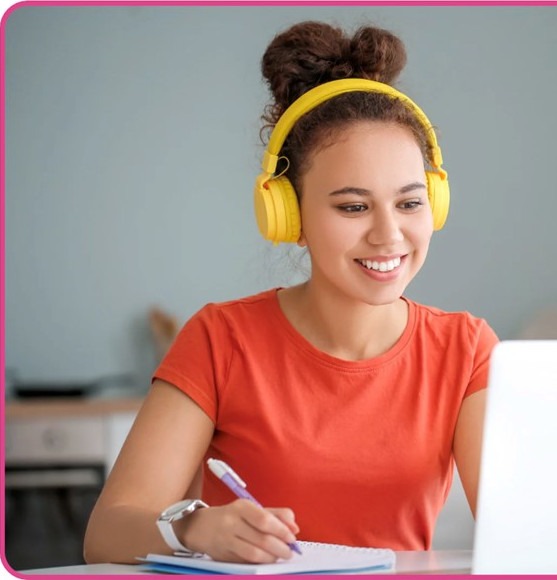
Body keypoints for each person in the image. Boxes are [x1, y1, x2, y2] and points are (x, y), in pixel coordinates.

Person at [83, 20, 499, 565]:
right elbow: (106, 534)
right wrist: (196, 529)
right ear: (288, 216)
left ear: (435, 204)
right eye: (352, 207)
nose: (388, 234)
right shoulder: (220, 339)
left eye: (409, 202)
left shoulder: (465, 349)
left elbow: (529, 528)